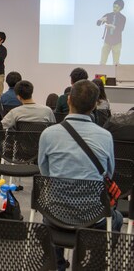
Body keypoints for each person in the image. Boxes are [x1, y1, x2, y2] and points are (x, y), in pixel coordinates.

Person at [38, 80, 123, 271]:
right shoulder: (105, 136)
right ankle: (94, 264)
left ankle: (57, 264)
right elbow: (107, 173)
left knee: (49, 208)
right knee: (116, 218)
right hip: (94, 217)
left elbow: (45, 173)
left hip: (56, 214)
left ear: (68, 100)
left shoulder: (48, 134)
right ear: (95, 105)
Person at [97, 0, 126, 65]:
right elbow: (98, 23)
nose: (114, 8)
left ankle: (116, 75)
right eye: (114, 6)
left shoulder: (123, 18)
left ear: (121, 8)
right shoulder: (108, 15)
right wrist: (101, 20)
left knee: (116, 63)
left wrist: (112, 26)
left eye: (117, 7)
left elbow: (121, 29)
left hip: (117, 42)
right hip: (107, 41)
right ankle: (101, 75)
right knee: (102, 61)